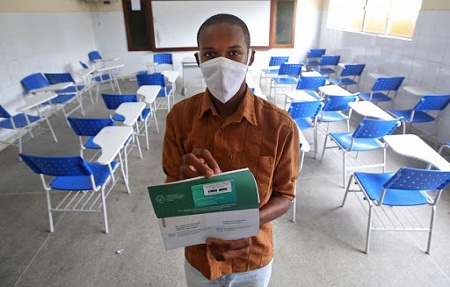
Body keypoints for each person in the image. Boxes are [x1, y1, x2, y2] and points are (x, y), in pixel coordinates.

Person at [162, 13, 300, 287]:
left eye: (234, 52)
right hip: (200, 259)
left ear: (250, 57)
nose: (222, 63)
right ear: (198, 58)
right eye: (210, 53)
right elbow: (169, 187)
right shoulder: (179, 117)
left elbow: (285, 194)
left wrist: (244, 224)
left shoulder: (280, 126)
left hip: (254, 259)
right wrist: (184, 181)